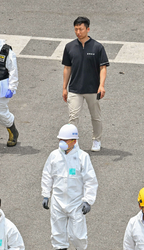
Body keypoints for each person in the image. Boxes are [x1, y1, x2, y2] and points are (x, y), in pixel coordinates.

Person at [41, 124, 98, 250]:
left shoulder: (82, 157)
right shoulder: (54, 156)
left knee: (77, 235)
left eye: (65, 140)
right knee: (58, 233)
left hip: (75, 203)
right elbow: (47, 175)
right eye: (60, 139)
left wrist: (88, 201)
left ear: (74, 141)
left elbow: (90, 181)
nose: (62, 142)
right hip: (58, 201)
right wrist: (46, 195)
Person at [62, 16, 109, 152]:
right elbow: (67, 68)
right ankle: (73, 143)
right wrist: (64, 88)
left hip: (92, 89)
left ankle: (96, 140)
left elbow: (103, 68)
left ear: (87, 29)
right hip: (75, 89)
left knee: (95, 117)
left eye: (81, 29)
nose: (78, 32)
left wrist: (101, 85)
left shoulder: (97, 47)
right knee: (73, 118)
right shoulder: (69, 47)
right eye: (76, 29)